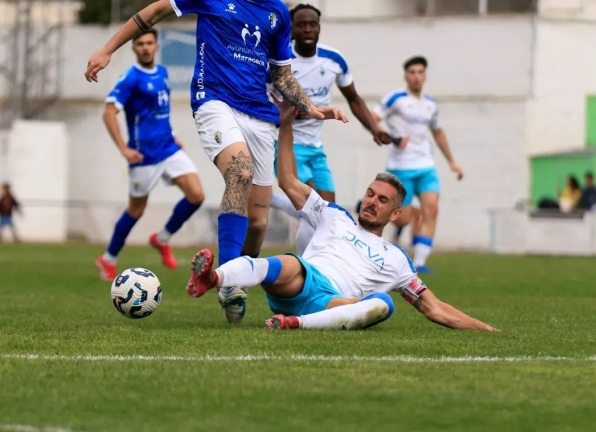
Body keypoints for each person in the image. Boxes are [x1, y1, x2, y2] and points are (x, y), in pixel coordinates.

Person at [85, 0, 338, 302]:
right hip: (214, 101)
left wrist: (309, 107)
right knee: (239, 172)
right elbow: (153, 12)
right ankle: (225, 280)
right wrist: (107, 49)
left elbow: (281, 74)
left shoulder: (278, 14)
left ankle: (233, 283)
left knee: (258, 222)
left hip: (260, 114)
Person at [185, 98, 496, 333]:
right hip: (302, 280)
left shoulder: (398, 259)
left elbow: (434, 308)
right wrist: (286, 125)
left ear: (396, 212)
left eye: (382, 200)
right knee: (289, 262)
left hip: (333, 303)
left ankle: (295, 323)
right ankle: (214, 278)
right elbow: (289, 182)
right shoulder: (334, 215)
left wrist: (486, 330)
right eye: (371, 194)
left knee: (383, 304)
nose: (372, 201)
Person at [270, 2, 390, 253]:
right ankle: (308, 267)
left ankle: (270, 201)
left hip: (316, 148)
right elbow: (270, 105)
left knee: (326, 214)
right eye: (301, 25)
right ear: (291, 29)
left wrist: (374, 129)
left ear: (319, 28)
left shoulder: (334, 59)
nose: (307, 29)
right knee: (311, 206)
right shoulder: (280, 63)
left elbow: (354, 98)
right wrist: (307, 113)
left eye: (312, 24)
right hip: (286, 144)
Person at [95, 29, 205, 281]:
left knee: (197, 195)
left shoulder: (163, 73)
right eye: (140, 44)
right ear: (134, 48)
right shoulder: (131, 78)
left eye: (149, 43)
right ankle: (108, 258)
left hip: (169, 147)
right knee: (136, 210)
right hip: (143, 156)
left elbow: (161, 110)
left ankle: (162, 238)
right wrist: (124, 148)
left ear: (156, 46)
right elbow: (108, 113)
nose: (145, 47)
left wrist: (173, 132)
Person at [371, 56, 463, 274]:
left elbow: (438, 132)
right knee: (403, 216)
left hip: (426, 166)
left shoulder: (430, 104)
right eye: (412, 72)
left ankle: (419, 263)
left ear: (425, 75)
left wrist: (452, 162)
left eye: (420, 72)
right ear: (406, 76)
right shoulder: (396, 98)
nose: (416, 76)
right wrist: (391, 136)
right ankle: (375, 212)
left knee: (431, 209)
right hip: (400, 166)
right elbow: (372, 118)